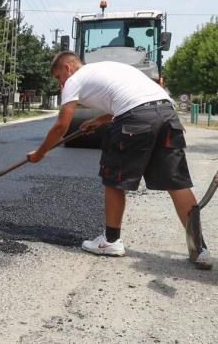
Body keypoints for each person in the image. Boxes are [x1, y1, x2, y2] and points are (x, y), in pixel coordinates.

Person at [27, 51, 212, 270]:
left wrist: (40, 153)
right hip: (166, 114)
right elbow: (136, 99)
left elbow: (61, 125)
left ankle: (111, 241)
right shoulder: (107, 68)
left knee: (114, 177)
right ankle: (200, 249)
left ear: (67, 68)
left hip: (136, 119)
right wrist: (100, 119)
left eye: (59, 77)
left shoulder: (74, 79)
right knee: (177, 182)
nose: (61, 83)